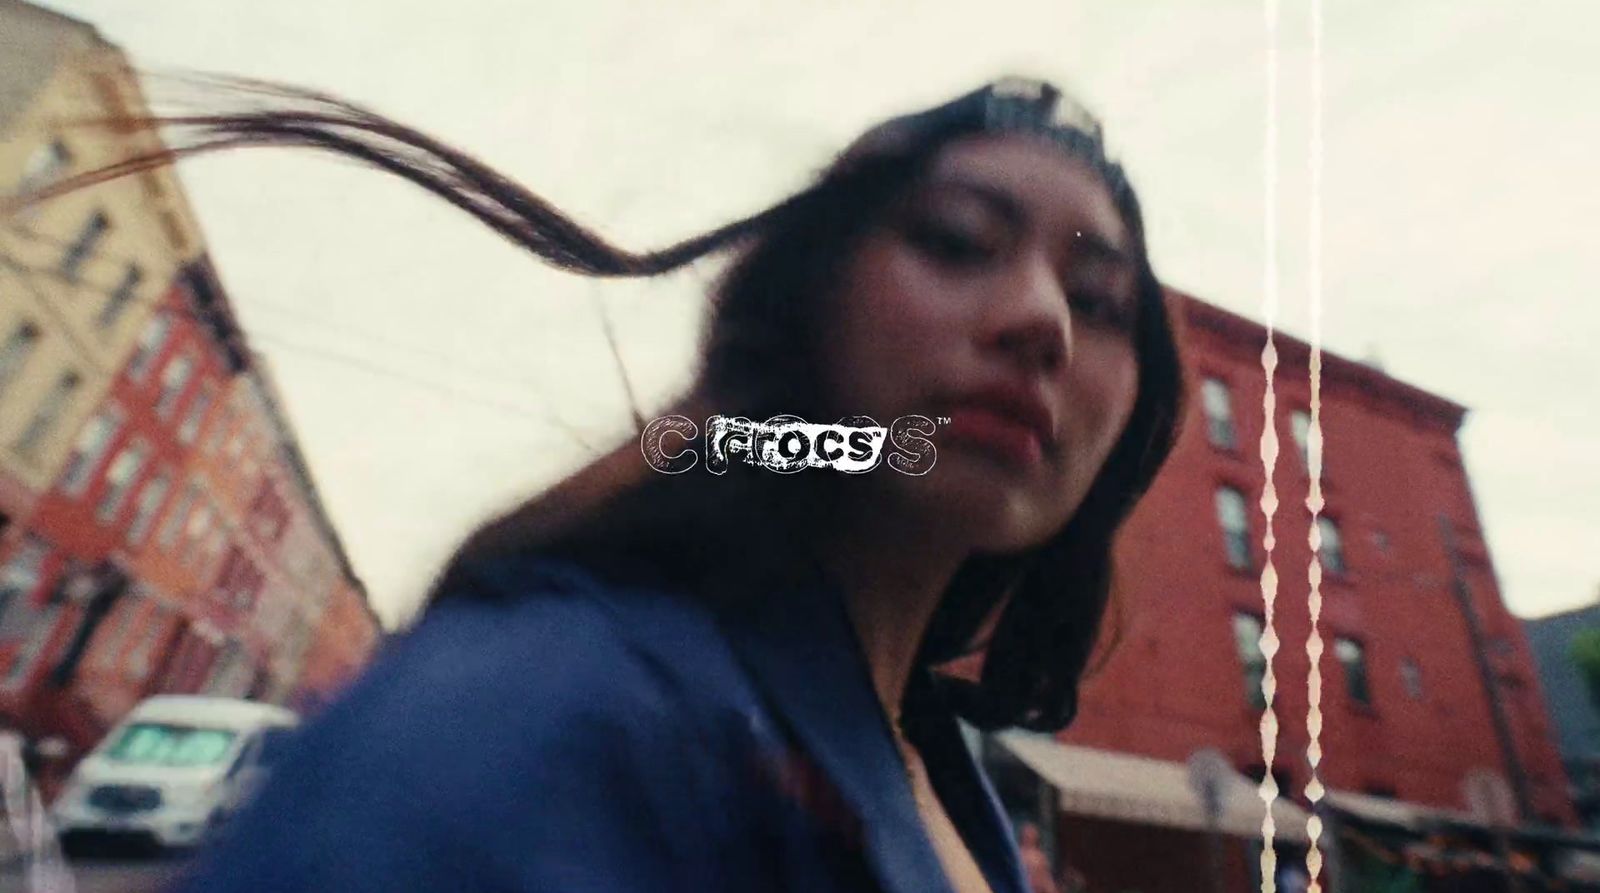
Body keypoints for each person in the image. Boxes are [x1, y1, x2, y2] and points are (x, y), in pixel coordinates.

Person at [14, 76, 1184, 892]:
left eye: (1100, 302)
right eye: (957, 240)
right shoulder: (568, 699)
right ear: (806, 309)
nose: (1042, 322)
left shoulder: (937, 763)